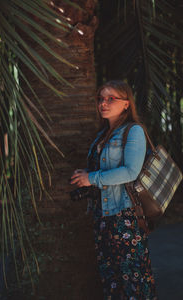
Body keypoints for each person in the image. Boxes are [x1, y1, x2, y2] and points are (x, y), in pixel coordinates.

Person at [70, 80, 157, 300]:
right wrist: (86, 176)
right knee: (112, 281)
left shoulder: (133, 131)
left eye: (111, 98)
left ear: (126, 104)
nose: (103, 103)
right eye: (100, 98)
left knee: (134, 281)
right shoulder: (102, 135)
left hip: (124, 216)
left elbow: (130, 172)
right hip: (103, 217)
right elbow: (103, 172)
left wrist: (92, 178)